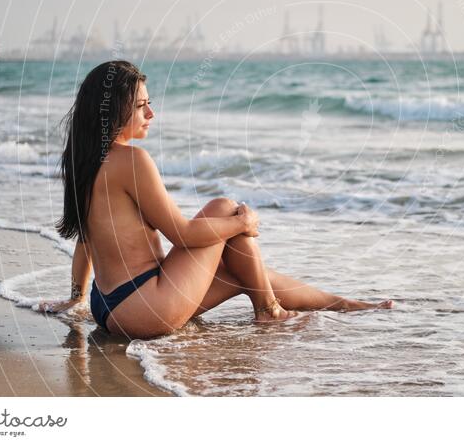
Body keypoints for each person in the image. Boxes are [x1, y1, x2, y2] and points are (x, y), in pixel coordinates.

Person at [39, 60, 393, 339]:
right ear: (113, 111)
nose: (151, 114)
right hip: (144, 307)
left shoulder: (82, 163)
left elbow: (86, 241)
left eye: (150, 104)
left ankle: (341, 304)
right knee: (224, 208)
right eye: (141, 106)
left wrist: (76, 297)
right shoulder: (132, 161)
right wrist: (242, 222)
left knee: (246, 272)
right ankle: (270, 312)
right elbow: (182, 234)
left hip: (109, 305)